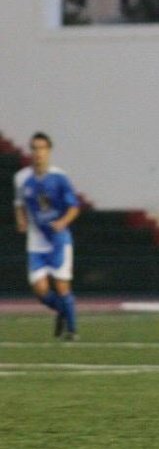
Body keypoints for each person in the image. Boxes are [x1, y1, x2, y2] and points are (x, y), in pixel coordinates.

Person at [14, 131, 81, 340]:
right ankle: (62, 311)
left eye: (42, 148)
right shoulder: (21, 178)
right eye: (34, 148)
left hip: (59, 240)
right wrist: (21, 220)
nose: (38, 152)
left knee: (62, 287)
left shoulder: (60, 177)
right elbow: (19, 203)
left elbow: (74, 207)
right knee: (40, 290)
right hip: (36, 242)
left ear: (49, 151)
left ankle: (72, 330)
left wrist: (63, 222)